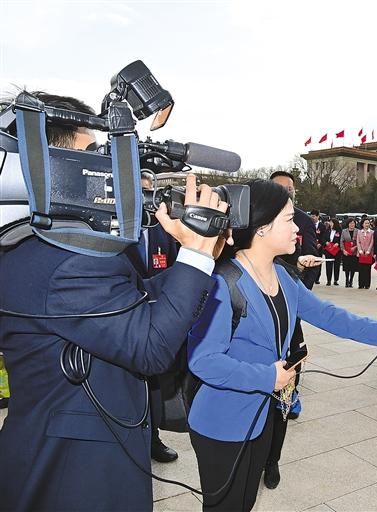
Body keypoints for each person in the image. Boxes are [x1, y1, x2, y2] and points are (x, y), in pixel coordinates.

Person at [0, 92, 231, 511]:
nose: (107, 167)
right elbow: (150, 347)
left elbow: (131, 301)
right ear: (49, 165)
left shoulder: (48, 246)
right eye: (93, 154)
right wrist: (196, 256)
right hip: (72, 476)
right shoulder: (63, 260)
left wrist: (198, 258)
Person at [187, 180, 377, 511]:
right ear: (262, 227)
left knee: (245, 502)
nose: (298, 229)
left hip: (262, 417)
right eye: (290, 220)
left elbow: (328, 315)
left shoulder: (283, 276)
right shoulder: (222, 283)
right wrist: (267, 377)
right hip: (222, 422)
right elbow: (203, 361)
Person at [263, 170, 320, 487]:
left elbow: (309, 259)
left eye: (291, 189)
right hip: (257, 317)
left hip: (289, 310)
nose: (288, 193)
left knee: (284, 392)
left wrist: (298, 286)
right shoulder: (252, 218)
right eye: (281, 188)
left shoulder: (303, 221)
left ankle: (273, 459)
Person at [132, 175, 182, 464]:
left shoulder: (163, 231)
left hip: (156, 316)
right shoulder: (113, 228)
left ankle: (152, 438)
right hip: (122, 315)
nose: (146, 199)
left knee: (153, 382)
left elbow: (174, 271)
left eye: (149, 192)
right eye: (140, 192)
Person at [322, 219, 342, 285]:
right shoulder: (327, 230)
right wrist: (326, 242)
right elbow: (323, 238)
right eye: (330, 222)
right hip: (328, 250)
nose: (330, 224)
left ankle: (336, 280)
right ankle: (328, 280)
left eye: (331, 222)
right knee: (328, 265)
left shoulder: (339, 231)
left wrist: (338, 243)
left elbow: (342, 239)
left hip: (337, 251)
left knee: (337, 266)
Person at [356, 218, 374, 289]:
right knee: (361, 269)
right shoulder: (359, 232)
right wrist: (360, 250)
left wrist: (368, 251)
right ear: (362, 224)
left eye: (368, 223)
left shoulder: (372, 232)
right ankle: (361, 284)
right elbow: (358, 242)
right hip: (361, 253)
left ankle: (367, 284)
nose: (367, 224)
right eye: (365, 223)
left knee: (367, 269)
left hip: (368, 253)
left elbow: (372, 242)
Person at [341, 218, 359, 288]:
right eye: (350, 223)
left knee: (353, 267)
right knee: (347, 267)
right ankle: (346, 280)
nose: (352, 224)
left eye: (353, 223)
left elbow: (359, 241)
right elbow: (341, 241)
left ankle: (351, 281)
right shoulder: (344, 231)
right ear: (348, 224)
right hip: (346, 252)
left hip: (354, 252)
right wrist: (343, 250)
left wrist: (356, 247)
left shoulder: (358, 231)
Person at [310, 210, 326, 285]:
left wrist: (320, 243)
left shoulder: (322, 226)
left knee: (318, 262)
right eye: (311, 216)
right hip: (311, 246)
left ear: (317, 216)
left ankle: (317, 278)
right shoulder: (309, 224)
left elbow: (324, 236)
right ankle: (310, 277)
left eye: (314, 216)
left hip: (319, 247)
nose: (312, 218)